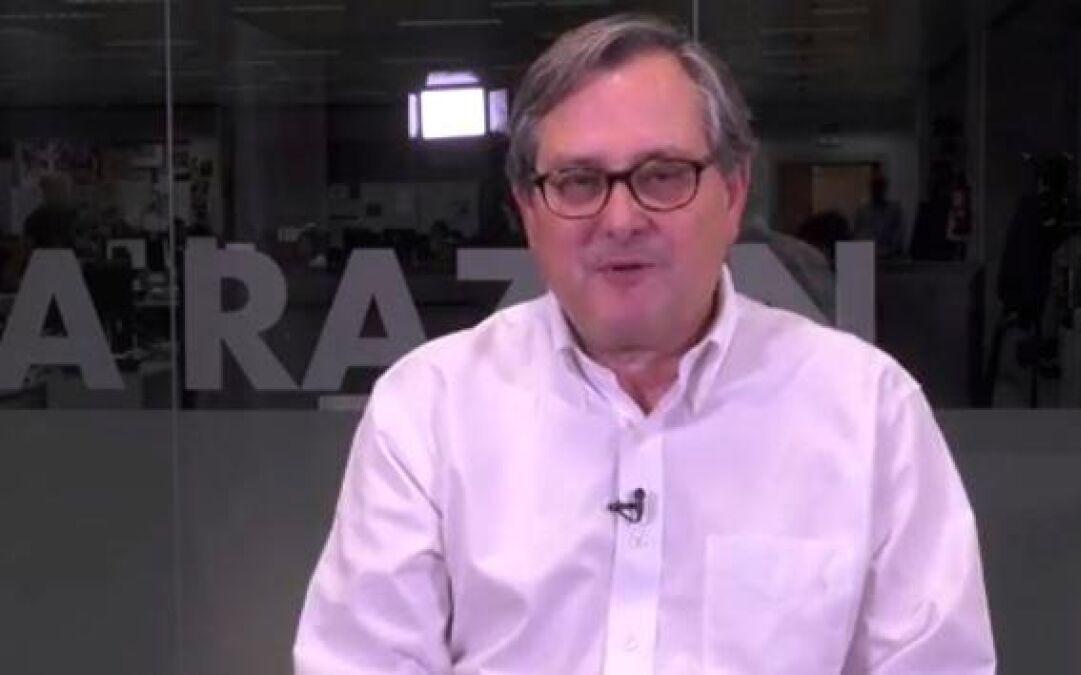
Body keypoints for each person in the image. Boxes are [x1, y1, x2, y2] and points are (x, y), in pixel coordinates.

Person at [295, 14, 995, 675]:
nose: (621, 219)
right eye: (578, 182)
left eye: (662, 175)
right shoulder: (428, 410)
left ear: (733, 193)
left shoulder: (867, 411)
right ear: (529, 211)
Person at [854, 170, 905, 259]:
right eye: (874, 186)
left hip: (889, 259)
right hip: (866, 256)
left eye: (880, 186)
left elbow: (898, 237)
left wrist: (884, 253)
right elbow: (858, 235)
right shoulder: (863, 210)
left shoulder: (894, 210)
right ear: (870, 187)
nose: (877, 189)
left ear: (884, 188)